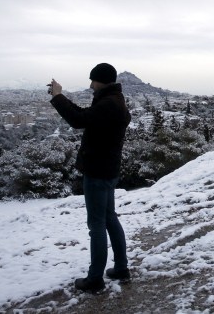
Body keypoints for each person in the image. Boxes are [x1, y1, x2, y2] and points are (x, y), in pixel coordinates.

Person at [49, 63, 131, 292]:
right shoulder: (114, 101)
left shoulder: (108, 104)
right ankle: (121, 268)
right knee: (109, 218)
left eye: (92, 80)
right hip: (109, 170)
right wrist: (61, 97)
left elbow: (78, 120)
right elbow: (85, 117)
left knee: (96, 224)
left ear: (101, 80)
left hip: (97, 171)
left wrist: (58, 96)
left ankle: (95, 279)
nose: (90, 84)